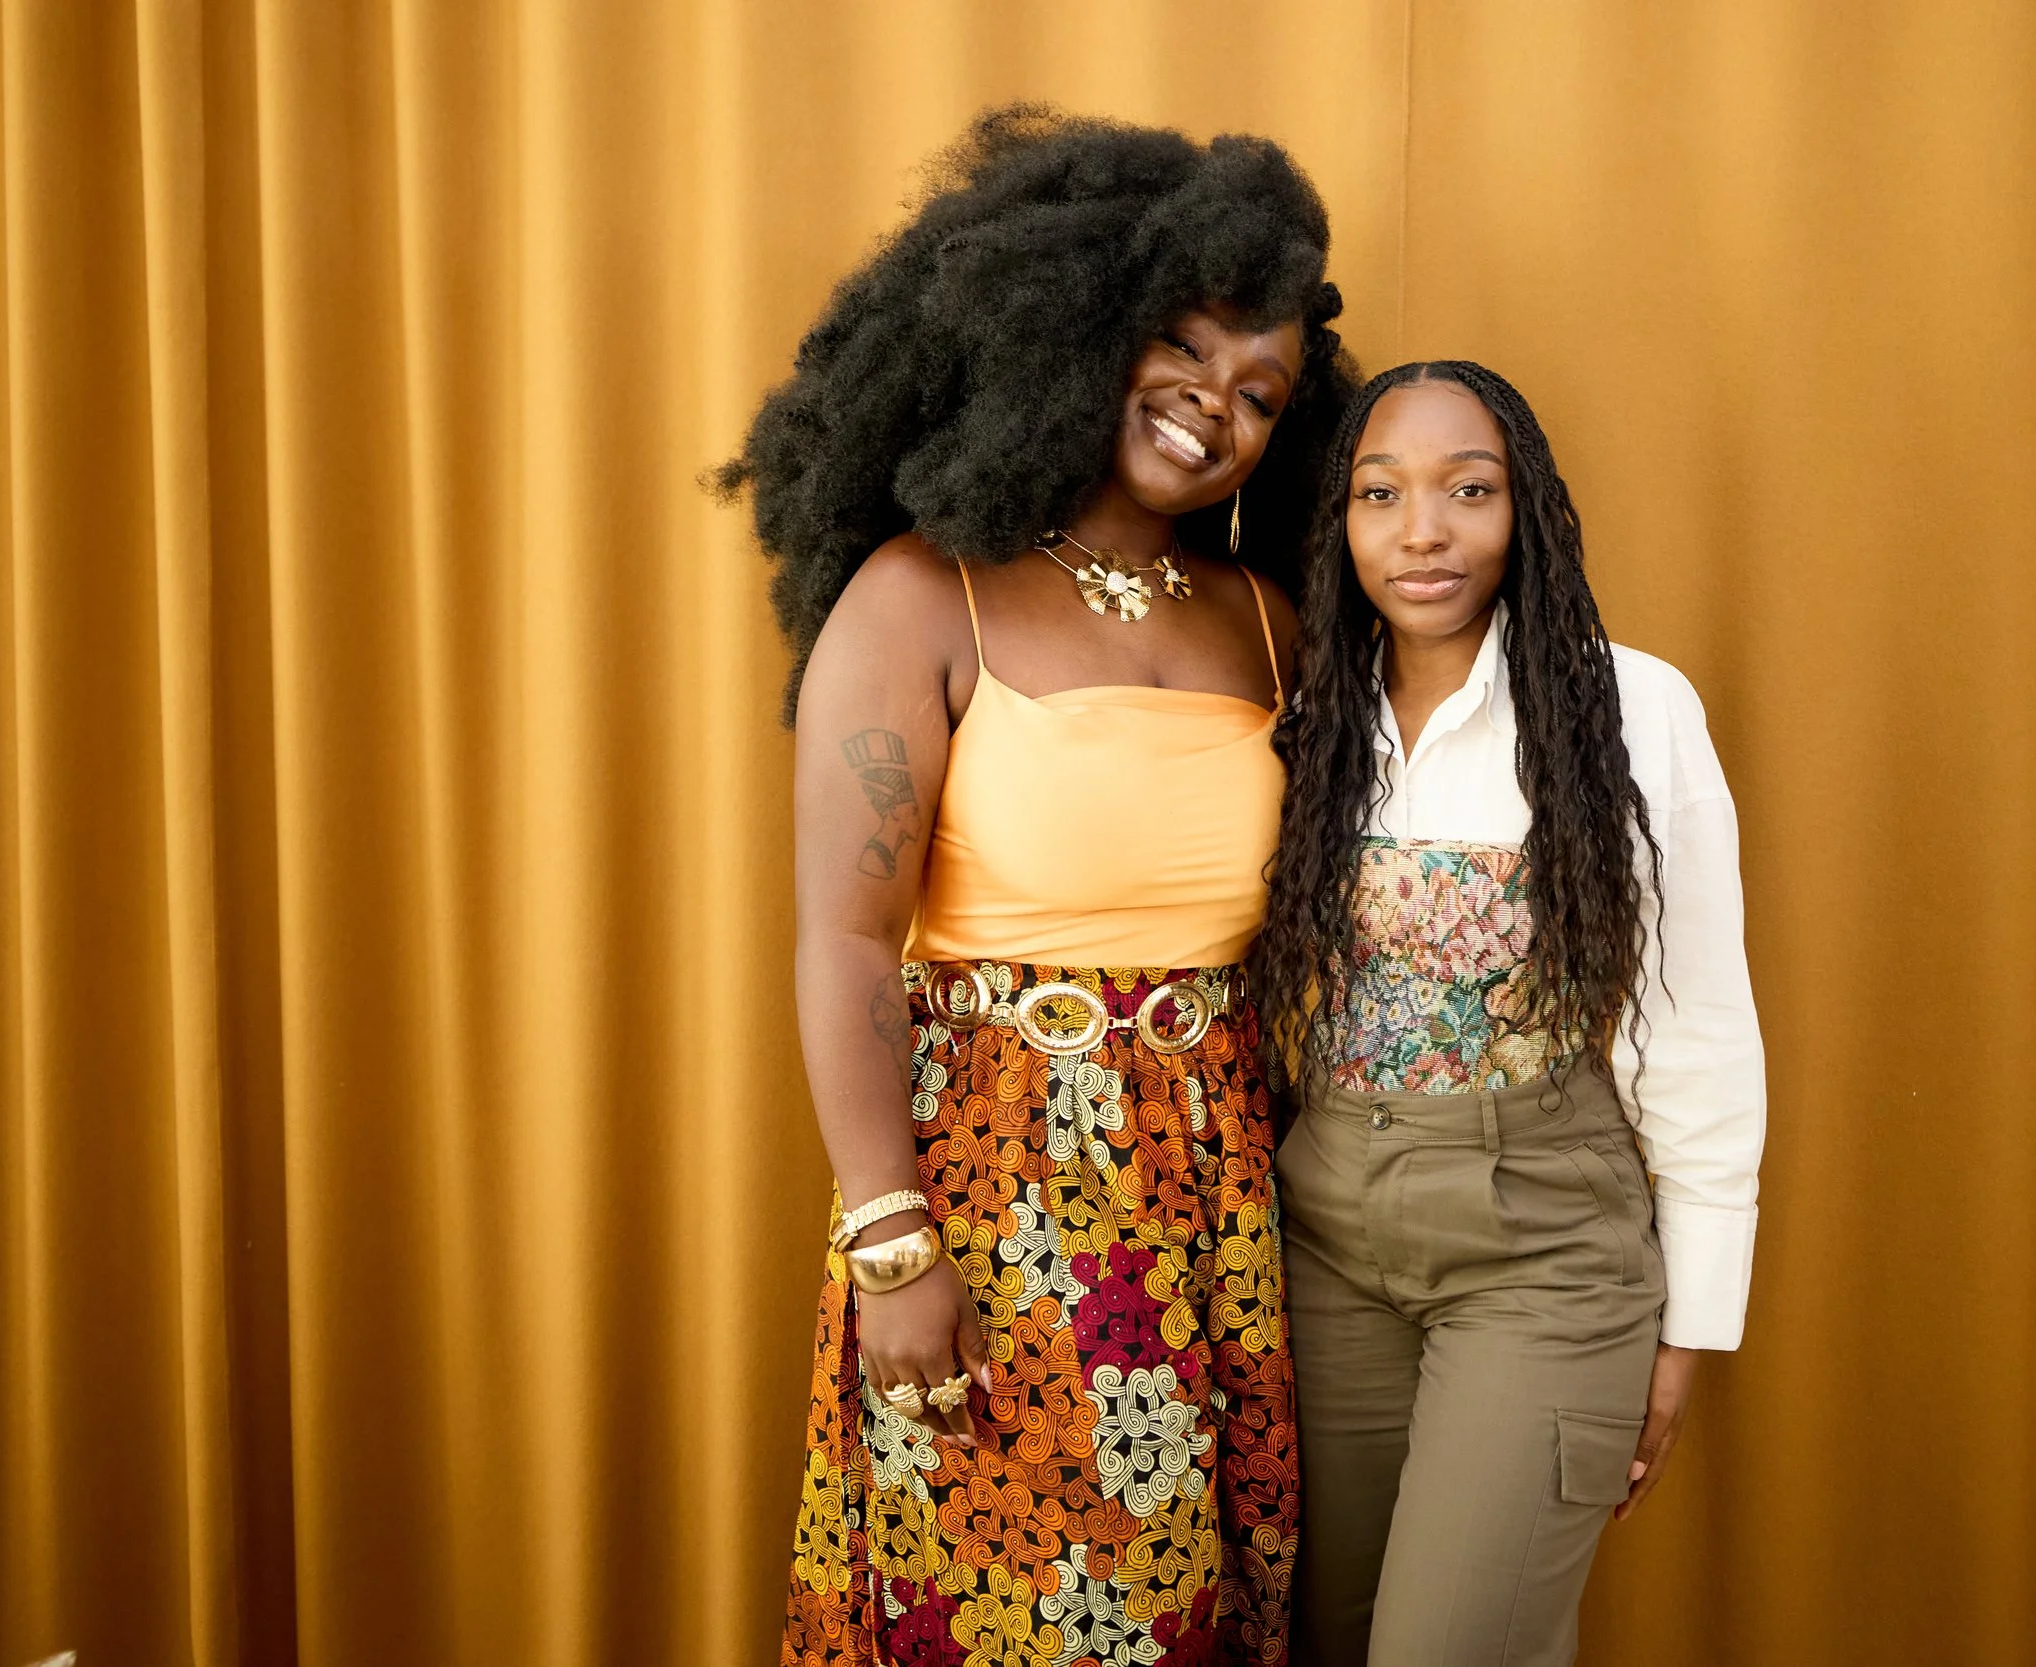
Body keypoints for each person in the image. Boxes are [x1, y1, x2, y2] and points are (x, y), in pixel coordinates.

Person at [719, 107, 1356, 1665]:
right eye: (1184, 349)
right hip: (989, 1188)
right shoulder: (920, 592)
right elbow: (845, 937)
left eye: (1259, 392)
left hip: (1214, 1197)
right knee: (994, 1603)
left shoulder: (1270, 621)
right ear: (1078, 324)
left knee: (1189, 1613)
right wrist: (894, 1242)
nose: (1214, 406)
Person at [1248, 361, 1766, 1665]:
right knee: (1325, 1637)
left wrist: (1691, 1326)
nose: (1423, 531)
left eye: (1468, 491)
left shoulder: (1630, 707)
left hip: (1539, 1247)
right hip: (1326, 1243)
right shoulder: (1305, 707)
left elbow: (1692, 1024)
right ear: (1340, 520)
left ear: (1525, 506)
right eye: (1381, 494)